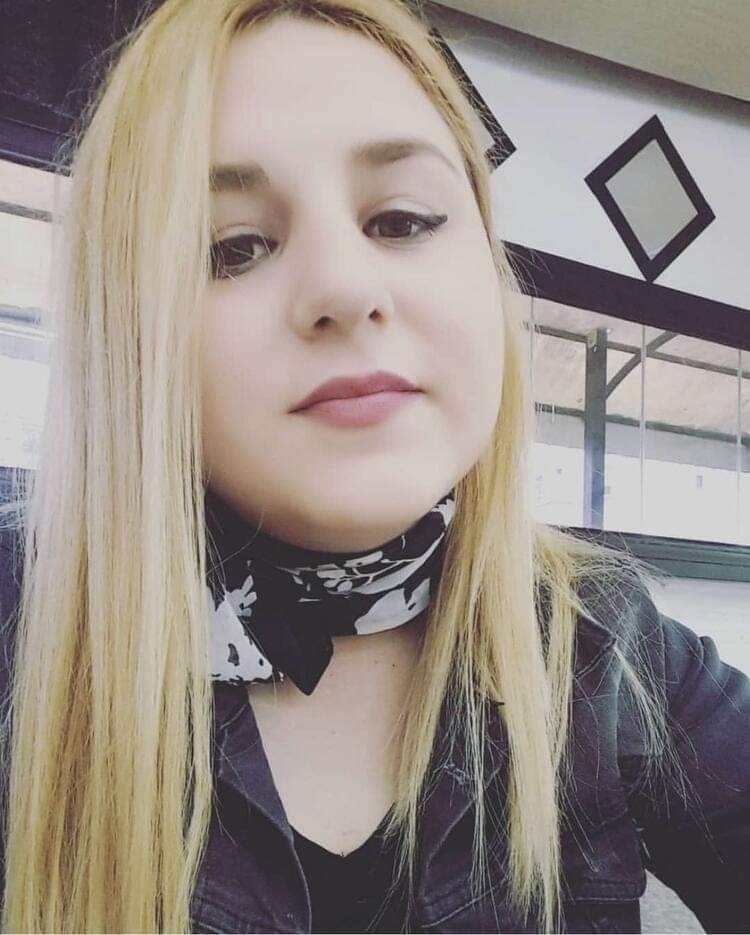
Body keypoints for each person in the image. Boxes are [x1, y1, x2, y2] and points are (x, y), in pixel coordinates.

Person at [0, 0, 748, 932]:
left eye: (402, 220)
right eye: (233, 247)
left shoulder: (607, 643)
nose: (345, 288)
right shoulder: (21, 621)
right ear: (129, 329)